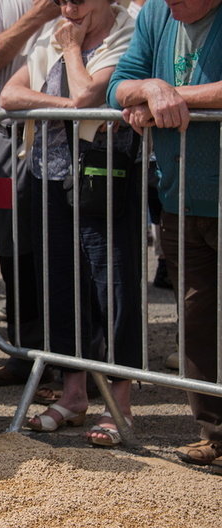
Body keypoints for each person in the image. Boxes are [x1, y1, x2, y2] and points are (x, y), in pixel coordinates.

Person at [0, 0, 138, 446]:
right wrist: (67, 105)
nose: (68, 7)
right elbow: (10, 95)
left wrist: (73, 52)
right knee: (60, 286)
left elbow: (88, 94)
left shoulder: (125, 31)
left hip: (105, 179)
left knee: (111, 288)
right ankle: (72, 395)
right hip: (48, 177)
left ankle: (120, 405)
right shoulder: (58, 30)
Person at [107, 0, 222, 466]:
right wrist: (151, 88)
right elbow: (120, 85)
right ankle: (215, 433)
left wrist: (171, 98)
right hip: (179, 197)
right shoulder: (157, 12)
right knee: (196, 319)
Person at [0, 0, 59, 386]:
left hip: (62, 139)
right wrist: (40, 15)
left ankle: (75, 358)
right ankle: (24, 352)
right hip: (5, 142)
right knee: (11, 246)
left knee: (65, 247)